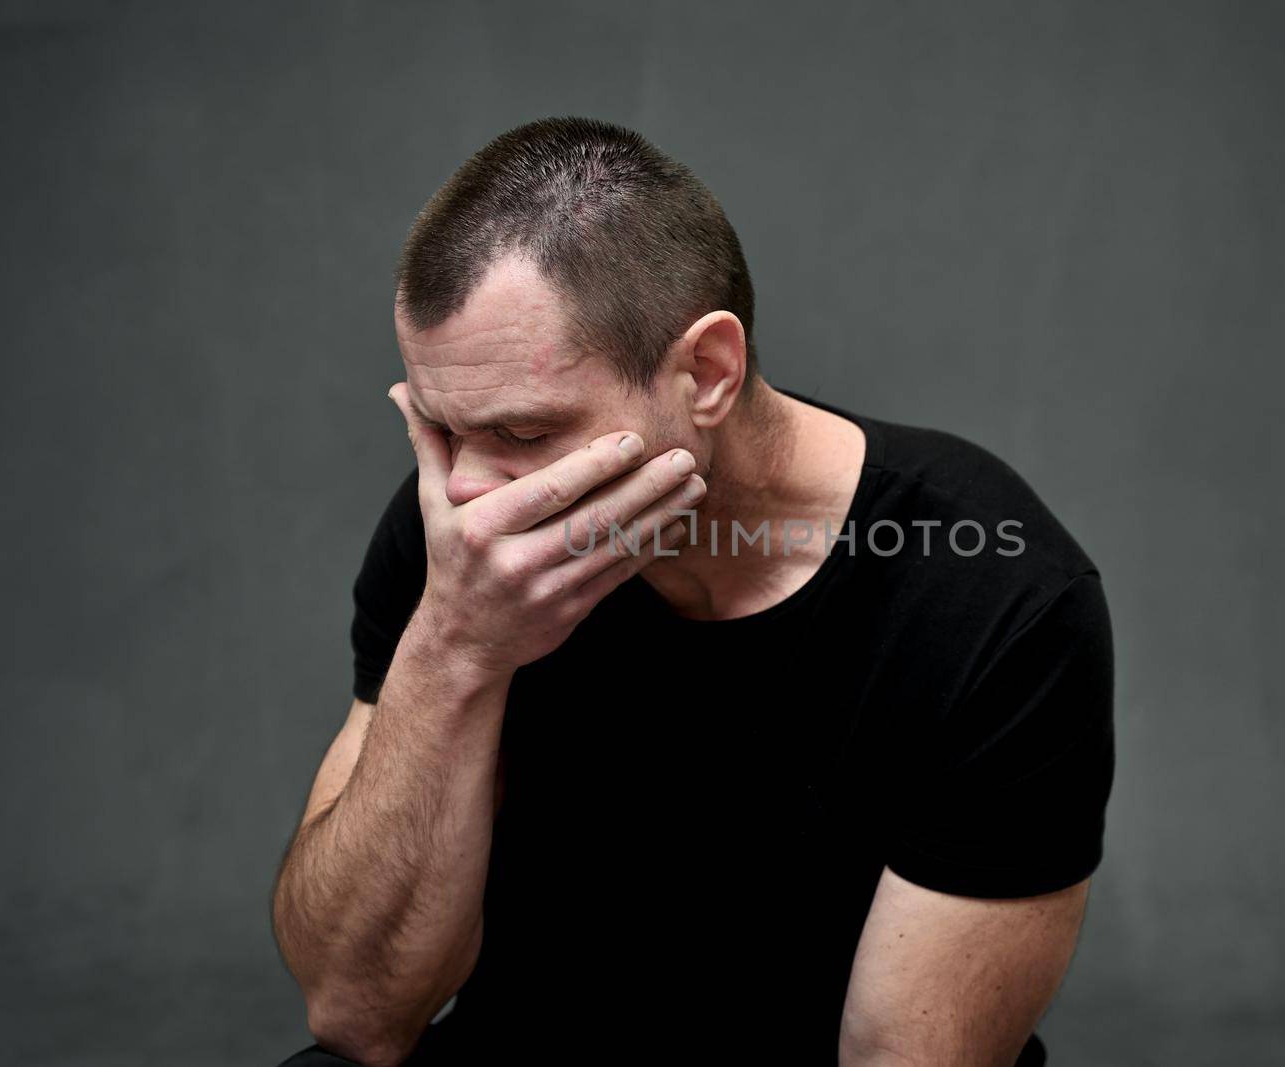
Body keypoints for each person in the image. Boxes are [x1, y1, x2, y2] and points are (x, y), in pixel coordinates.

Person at [271, 116, 1115, 1066]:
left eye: (524, 432)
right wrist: (457, 646)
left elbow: (905, 1058)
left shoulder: (992, 593)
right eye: (441, 428)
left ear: (708, 373)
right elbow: (356, 1009)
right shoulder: (467, 542)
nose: (466, 489)